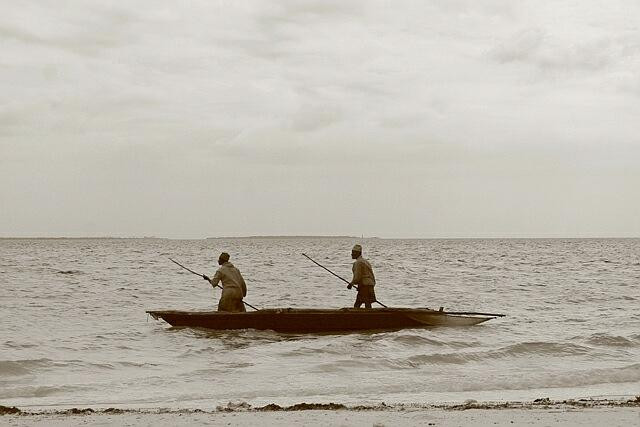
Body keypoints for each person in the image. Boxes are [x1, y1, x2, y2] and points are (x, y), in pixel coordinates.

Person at [347, 244, 376, 308]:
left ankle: (357, 317)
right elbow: (371, 276)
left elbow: (357, 277)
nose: (351, 254)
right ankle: (369, 316)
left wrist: (351, 284)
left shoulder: (358, 263)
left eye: (353, 252)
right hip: (369, 285)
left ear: (358, 253)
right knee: (367, 304)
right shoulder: (366, 262)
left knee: (357, 305)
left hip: (365, 286)